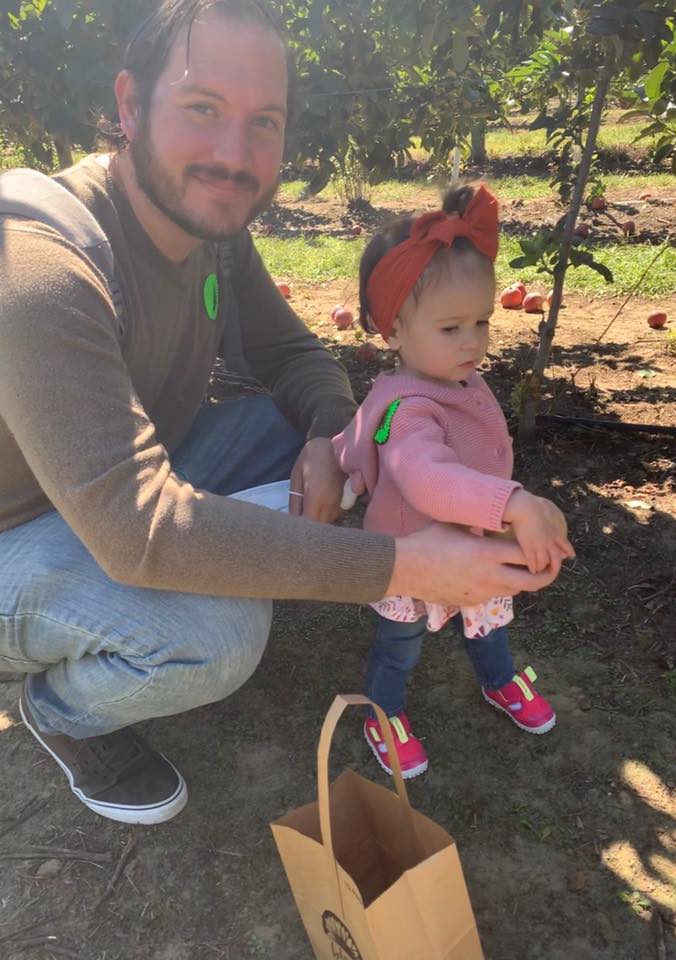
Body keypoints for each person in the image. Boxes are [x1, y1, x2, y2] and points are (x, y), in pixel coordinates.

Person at [0, 0, 563, 827]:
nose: (236, 155)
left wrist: (326, 439)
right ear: (129, 105)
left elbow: (294, 356)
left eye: (263, 121)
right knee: (217, 637)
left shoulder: (212, 232)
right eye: (202, 110)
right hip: (19, 529)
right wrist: (404, 566)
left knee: (280, 428)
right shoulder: (44, 265)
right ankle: (63, 711)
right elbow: (136, 528)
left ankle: (194, 581)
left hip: (116, 481)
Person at [332, 184, 575, 779]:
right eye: (451, 328)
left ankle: (498, 679)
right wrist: (513, 503)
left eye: (482, 322)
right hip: (415, 551)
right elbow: (426, 478)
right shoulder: (409, 407)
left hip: (469, 541)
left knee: (487, 621)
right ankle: (383, 712)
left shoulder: (457, 376)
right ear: (391, 331)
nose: (473, 341)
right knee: (401, 641)